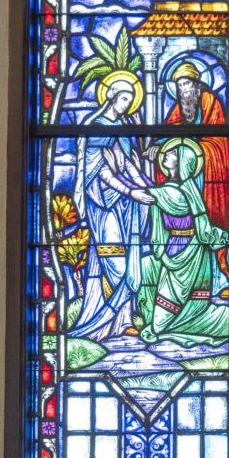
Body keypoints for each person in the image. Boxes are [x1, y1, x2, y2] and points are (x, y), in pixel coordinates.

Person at [70, 71, 152, 341]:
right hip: (103, 203)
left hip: (125, 204)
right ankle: (105, 320)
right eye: (123, 98)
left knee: (130, 259)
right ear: (112, 97)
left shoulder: (123, 128)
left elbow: (128, 164)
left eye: (130, 99)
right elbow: (100, 173)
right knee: (114, 258)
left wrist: (148, 186)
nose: (127, 104)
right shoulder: (96, 128)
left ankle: (125, 320)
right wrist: (132, 190)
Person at [134, 139, 229, 348]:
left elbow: (149, 192)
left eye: (172, 154)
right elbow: (154, 201)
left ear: (182, 163)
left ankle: (211, 323)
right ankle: (199, 323)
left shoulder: (178, 193)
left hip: (191, 251)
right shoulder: (175, 191)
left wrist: (128, 169)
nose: (166, 155)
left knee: (161, 324)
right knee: (160, 322)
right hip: (173, 249)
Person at [146, 60, 229, 279]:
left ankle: (215, 273)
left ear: (196, 84)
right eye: (179, 85)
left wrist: (190, 147)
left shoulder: (210, 102)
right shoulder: (180, 107)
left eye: (186, 84)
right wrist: (158, 147)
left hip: (208, 177)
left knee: (207, 223)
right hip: (188, 181)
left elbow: (218, 144)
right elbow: (167, 134)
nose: (182, 89)